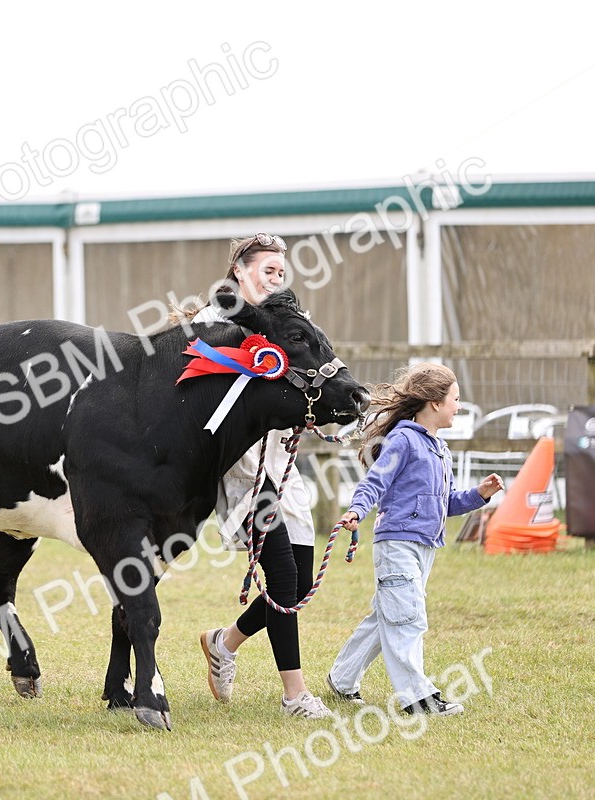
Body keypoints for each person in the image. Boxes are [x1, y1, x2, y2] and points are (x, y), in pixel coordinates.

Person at [191, 233, 331, 718]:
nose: (277, 277)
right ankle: (295, 696)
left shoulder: (289, 324)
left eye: (281, 272)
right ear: (239, 271)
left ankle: (223, 642)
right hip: (241, 467)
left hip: (282, 462)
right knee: (283, 573)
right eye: (268, 269)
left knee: (300, 578)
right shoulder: (212, 324)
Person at [326, 363, 504, 716]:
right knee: (408, 618)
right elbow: (376, 481)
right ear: (435, 403)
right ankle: (417, 696)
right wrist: (357, 511)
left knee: (387, 616)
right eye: (455, 399)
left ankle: (342, 679)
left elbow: (447, 503)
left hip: (425, 547)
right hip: (397, 545)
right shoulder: (404, 440)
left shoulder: (441, 450)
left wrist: (480, 495)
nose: (459, 405)